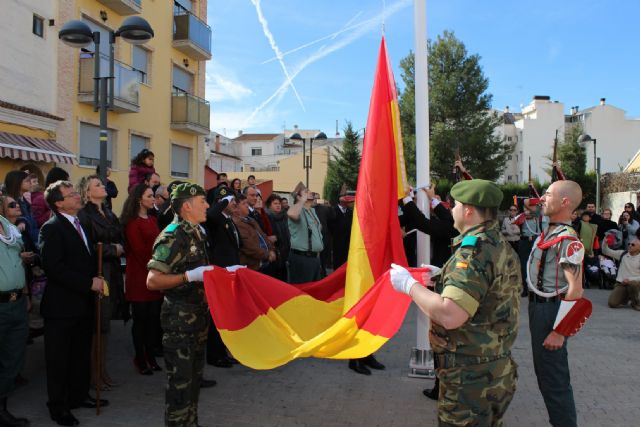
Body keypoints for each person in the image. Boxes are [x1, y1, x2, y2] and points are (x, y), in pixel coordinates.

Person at [390, 179, 521, 426]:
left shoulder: (473, 253)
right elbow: (488, 291)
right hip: (495, 367)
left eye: (456, 205)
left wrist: (409, 285)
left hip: (470, 378)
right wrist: (442, 276)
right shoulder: (498, 244)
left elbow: (450, 315)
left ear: (469, 211)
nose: (452, 210)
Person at [147, 183, 217, 427]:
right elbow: (153, 280)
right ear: (187, 206)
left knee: (193, 384)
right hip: (179, 323)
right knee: (180, 387)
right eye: (202, 201)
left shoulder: (195, 231)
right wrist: (188, 277)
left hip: (197, 321)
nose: (208, 205)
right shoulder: (173, 235)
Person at [39, 180, 108, 426]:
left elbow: (85, 260)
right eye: (71, 195)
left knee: (80, 355)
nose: (77, 197)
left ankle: (78, 396)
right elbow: (54, 267)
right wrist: (87, 283)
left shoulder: (81, 224)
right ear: (59, 202)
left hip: (82, 304)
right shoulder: (52, 228)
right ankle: (58, 407)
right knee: (59, 360)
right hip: (61, 307)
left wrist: (95, 278)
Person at [526, 180, 584, 427]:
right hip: (539, 307)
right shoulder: (550, 231)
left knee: (554, 380)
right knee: (546, 376)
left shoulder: (567, 239)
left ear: (565, 202)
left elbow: (576, 289)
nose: (543, 198)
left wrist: (560, 332)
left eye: (548, 194)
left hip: (551, 311)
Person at [77, 175, 126, 390]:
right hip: (98, 271)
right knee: (97, 324)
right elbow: (88, 245)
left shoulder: (107, 211)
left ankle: (102, 369)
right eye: (97, 185)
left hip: (112, 271)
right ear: (87, 193)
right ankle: (92, 373)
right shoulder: (84, 214)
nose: (102, 186)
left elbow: (120, 235)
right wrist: (111, 249)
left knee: (105, 325)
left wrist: (117, 247)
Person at [121, 184, 163, 375]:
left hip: (154, 274)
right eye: (149, 196)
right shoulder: (132, 223)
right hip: (139, 276)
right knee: (141, 320)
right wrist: (159, 263)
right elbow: (139, 251)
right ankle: (140, 358)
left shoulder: (153, 220)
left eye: (153, 195)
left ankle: (151, 356)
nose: (153, 198)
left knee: (153, 319)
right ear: (140, 199)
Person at [0, 201, 31, 427]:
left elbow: (19, 258)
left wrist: (26, 292)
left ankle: (2, 409)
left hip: (17, 301)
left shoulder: (8, 227)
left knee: (13, 359)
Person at [204, 185, 241, 368]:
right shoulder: (215, 219)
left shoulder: (229, 220)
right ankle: (214, 354)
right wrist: (224, 200)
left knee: (226, 316)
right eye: (230, 201)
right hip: (219, 273)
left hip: (230, 274)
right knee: (217, 316)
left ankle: (224, 352)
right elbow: (210, 215)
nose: (234, 203)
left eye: (234, 200)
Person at [287, 188, 324, 283]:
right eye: (306, 192)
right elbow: (292, 214)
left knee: (313, 291)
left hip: (314, 258)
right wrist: (302, 200)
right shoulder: (296, 208)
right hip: (302, 258)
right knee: (302, 290)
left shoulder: (312, 211)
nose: (310, 192)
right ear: (299, 196)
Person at [234, 194, 276, 272]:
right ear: (236, 208)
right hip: (252, 267)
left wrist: (271, 250)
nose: (247, 206)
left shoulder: (250, 220)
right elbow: (249, 246)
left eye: (247, 203)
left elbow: (263, 236)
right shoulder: (237, 223)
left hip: (264, 262)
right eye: (244, 203)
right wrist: (268, 254)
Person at [602, 236, 640, 310]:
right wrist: (605, 242)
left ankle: (635, 303)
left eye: (633, 245)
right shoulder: (623, 254)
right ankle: (626, 297)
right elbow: (605, 251)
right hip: (621, 284)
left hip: (635, 284)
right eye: (629, 244)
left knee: (633, 284)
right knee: (612, 303)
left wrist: (630, 279)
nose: (629, 246)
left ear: (639, 248)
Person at [4, 171, 39, 246]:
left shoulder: (24, 201)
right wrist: (22, 221)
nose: (30, 183)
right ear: (17, 183)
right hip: (21, 245)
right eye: (27, 180)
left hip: (32, 242)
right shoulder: (9, 203)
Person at [265, 194, 290, 281]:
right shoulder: (266, 217)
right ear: (269, 205)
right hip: (274, 254)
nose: (278, 205)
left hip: (285, 253)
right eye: (275, 203)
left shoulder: (284, 217)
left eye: (279, 203)